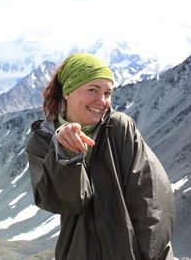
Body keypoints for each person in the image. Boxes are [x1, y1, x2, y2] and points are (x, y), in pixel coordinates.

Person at [26, 52, 176, 260]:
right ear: (68, 91)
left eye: (108, 92)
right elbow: (66, 203)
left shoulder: (119, 128)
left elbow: (152, 201)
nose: (102, 101)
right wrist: (67, 154)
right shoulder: (42, 141)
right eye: (92, 90)